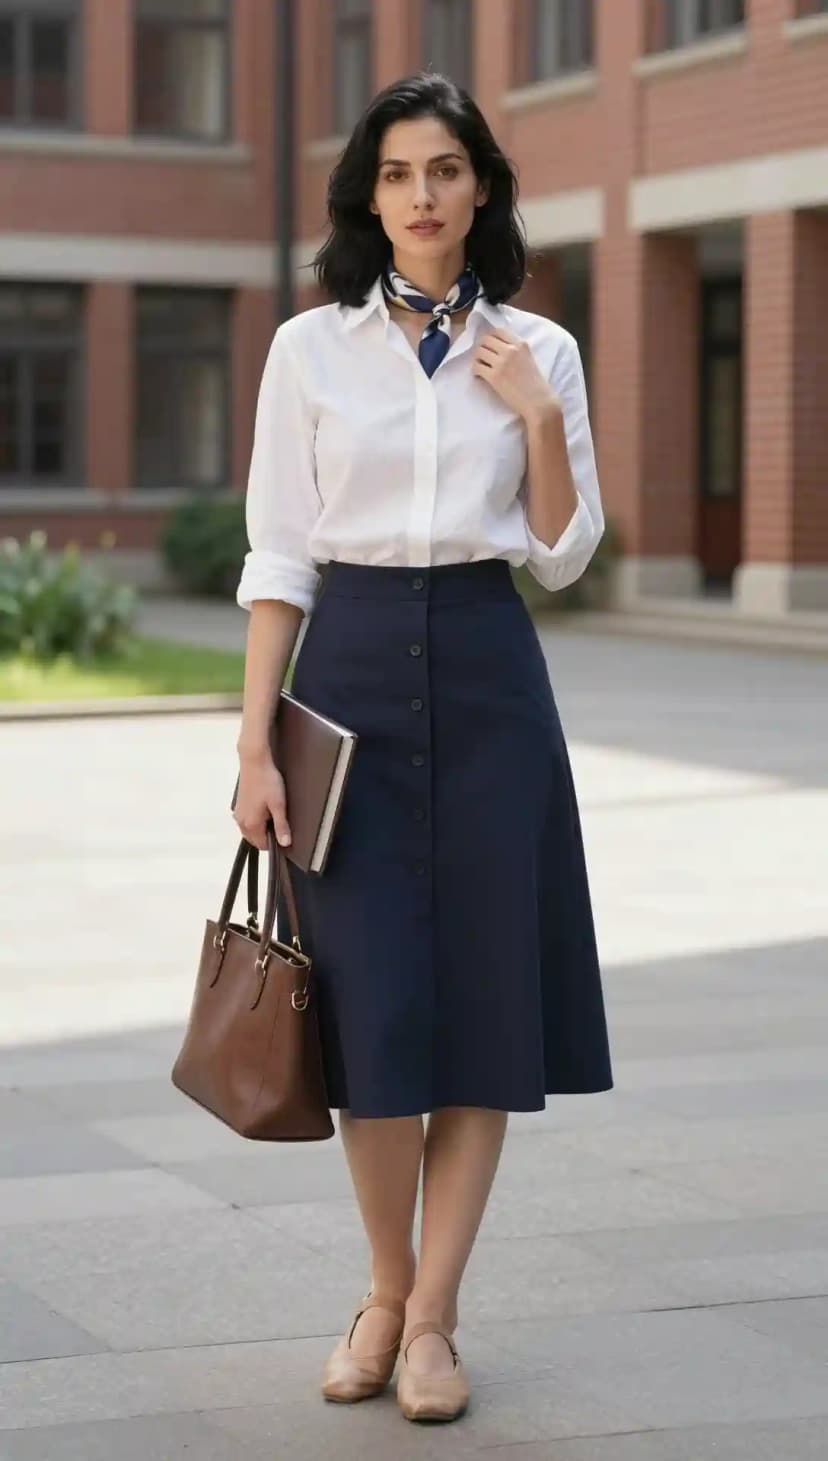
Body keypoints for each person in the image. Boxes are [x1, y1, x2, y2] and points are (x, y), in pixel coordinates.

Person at [232, 71, 613, 1425]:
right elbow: (280, 554)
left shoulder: (541, 350)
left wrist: (540, 419)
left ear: (483, 187)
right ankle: (382, 1288)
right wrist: (254, 743)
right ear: (369, 195)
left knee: (484, 1009)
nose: (424, 196)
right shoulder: (309, 348)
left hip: (490, 677)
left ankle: (437, 1316)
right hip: (346, 687)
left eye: (446, 169)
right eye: (399, 173)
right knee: (373, 1007)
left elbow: (565, 558)